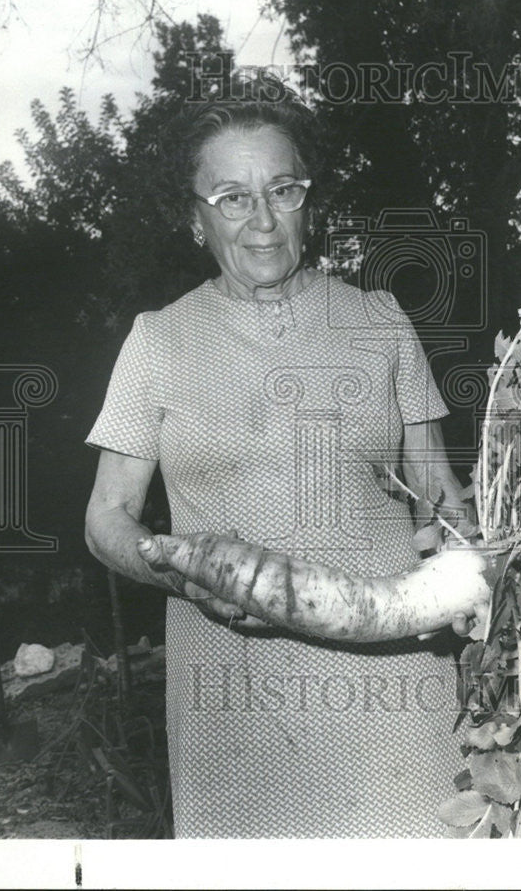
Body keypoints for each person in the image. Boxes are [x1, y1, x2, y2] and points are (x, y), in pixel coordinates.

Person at [84, 71, 476, 838]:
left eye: (283, 190)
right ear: (197, 221)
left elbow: (435, 480)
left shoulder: (380, 320)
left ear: (308, 202)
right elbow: (107, 515)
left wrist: (458, 564)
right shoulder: (157, 341)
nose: (262, 220)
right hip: (230, 692)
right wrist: (178, 570)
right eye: (232, 197)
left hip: (393, 680)